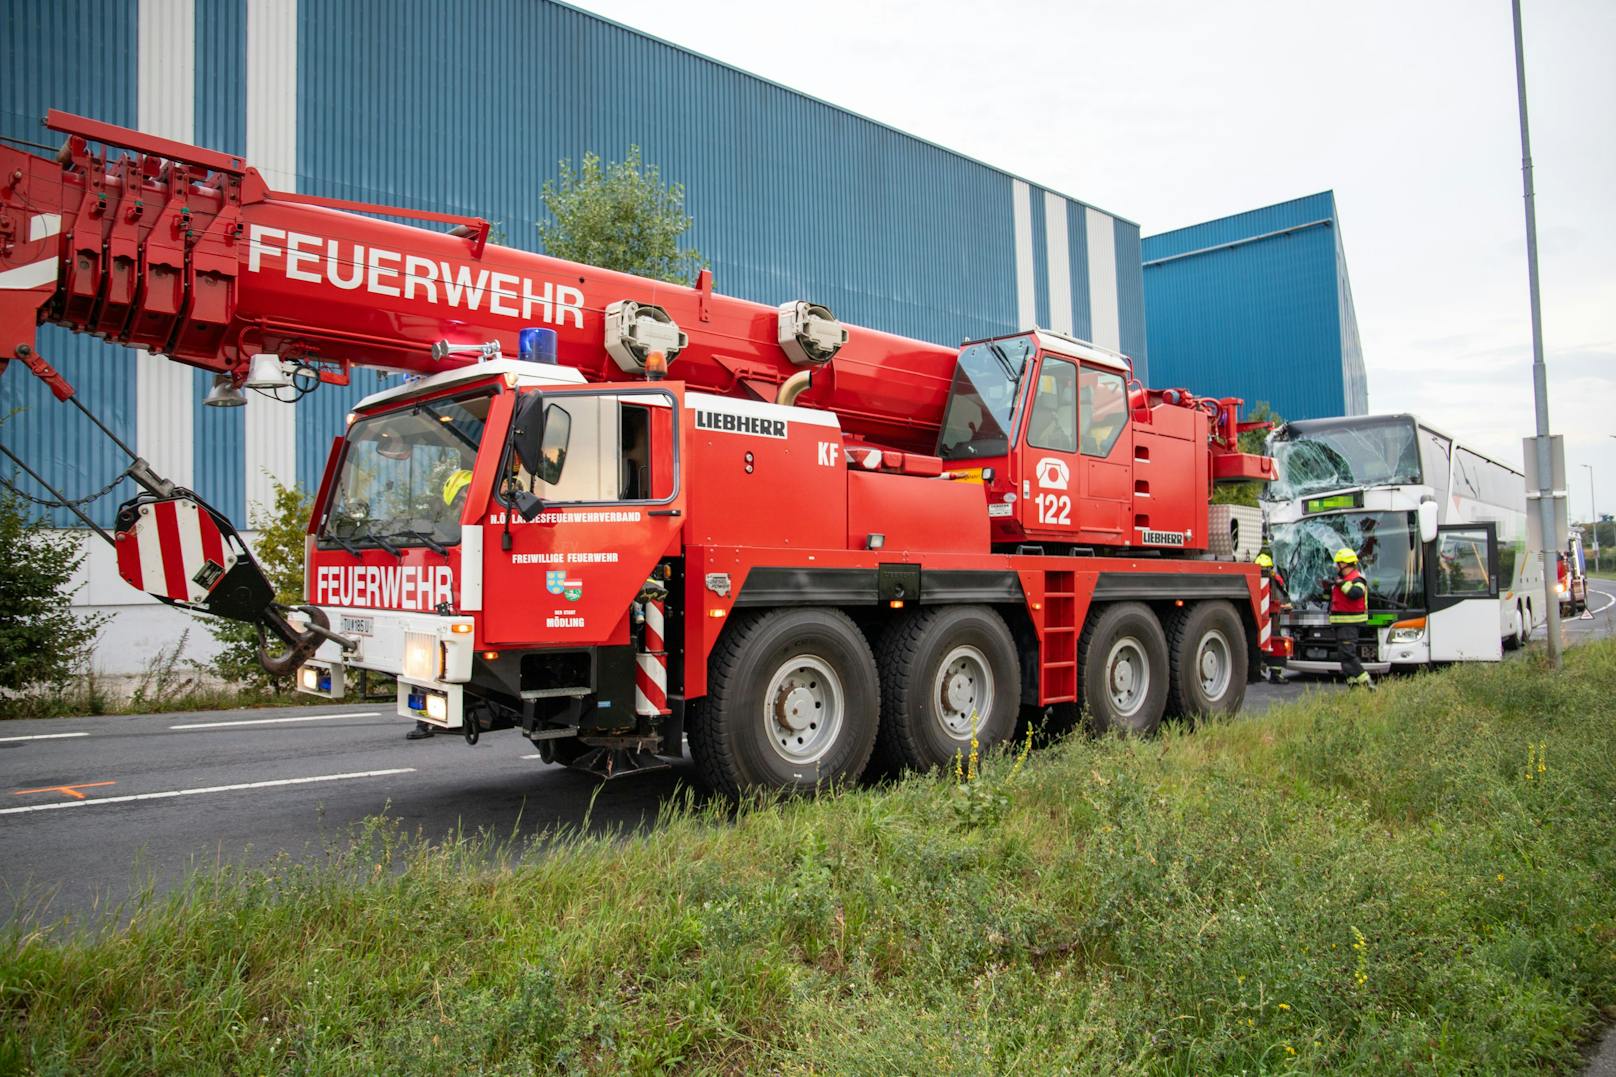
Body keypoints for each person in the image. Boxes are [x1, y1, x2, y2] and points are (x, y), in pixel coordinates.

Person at [1327, 547, 1374, 689]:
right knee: (1344, 657)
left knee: (1348, 655)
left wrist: (1341, 584)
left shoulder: (1357, 579)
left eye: (1338, 564)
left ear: (1344, 564)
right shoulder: (1344, 580)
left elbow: (1356, 593)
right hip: (1342, 625)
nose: (1336, 567)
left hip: (1350, 624)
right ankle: (1354, 686)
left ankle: (1367, 683)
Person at [1255, 552, 1291, 684]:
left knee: (1273, 643)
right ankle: (1272, 673)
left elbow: (1281, 597)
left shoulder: (1273, 581)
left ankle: (1273, 673)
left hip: (1270, 617)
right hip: (1270, 617)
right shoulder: (1274, 580)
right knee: (1273, 643)